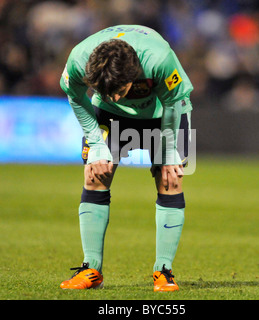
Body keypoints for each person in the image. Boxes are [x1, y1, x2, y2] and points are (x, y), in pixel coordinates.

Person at [59, 25, 193, 292]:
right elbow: (75, 96)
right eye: (105, 90)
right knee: (95, 174)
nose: (114, 96)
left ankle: (164, 271)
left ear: (134, 74)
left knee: (170, 179)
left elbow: (173, 103)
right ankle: (91, 269)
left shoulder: (159, 59)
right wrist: (96, 142)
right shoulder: (78, 59)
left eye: (119, 90)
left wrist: (167, 153)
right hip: (111, 116)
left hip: (164, 112)